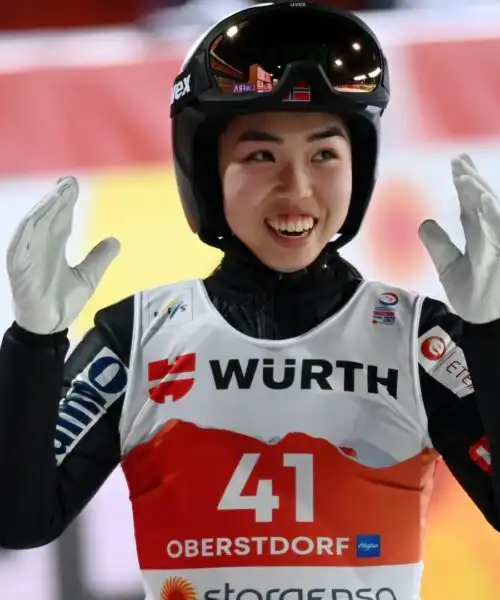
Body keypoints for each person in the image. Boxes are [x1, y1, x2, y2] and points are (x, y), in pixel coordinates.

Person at [0, 2, 499, 600]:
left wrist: (491, 333)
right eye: (261, 156)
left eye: (324, 155)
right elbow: (19, 519)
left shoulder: (418, 338)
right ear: (207, 174)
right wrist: (33, 342)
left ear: (358, 169)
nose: (297, 190)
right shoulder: (137, 337)